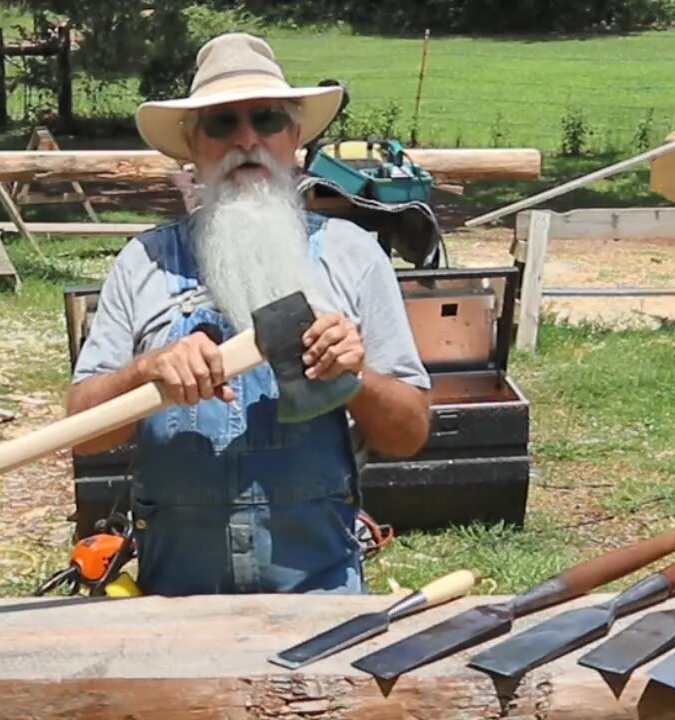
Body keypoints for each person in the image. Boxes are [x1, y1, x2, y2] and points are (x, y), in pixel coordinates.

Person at [65, 32, 431, 596]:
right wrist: (146, 371)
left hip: (318, 593)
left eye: (266, 119)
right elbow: (82, 433)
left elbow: (409, 434)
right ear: (191, 143)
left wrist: (352, 378)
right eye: (221, 124)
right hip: (175, 598)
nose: (246, 140)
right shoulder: (146, 261)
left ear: (295, 136)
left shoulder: (351, 254)